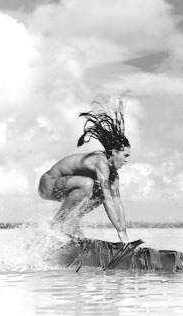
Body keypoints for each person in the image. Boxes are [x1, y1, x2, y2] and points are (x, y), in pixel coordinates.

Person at [38, 98, 130, 242]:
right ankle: (56, 224)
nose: (126, 160)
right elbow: (108, 198)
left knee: (99, 193)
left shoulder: (114, 176)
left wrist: (122, 232)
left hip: (64, 186)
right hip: (49, 183)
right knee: (88, 184)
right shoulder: (101, 162)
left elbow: (116, 203)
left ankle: (72, 222)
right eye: (124, 155)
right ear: (113, 152)